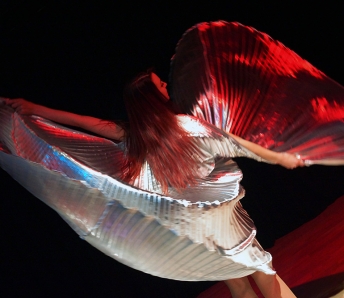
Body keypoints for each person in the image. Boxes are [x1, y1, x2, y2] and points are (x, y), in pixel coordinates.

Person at [4, 70, 303, 298]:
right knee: (263, 269)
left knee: (238, 283)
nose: (166, 87)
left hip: (195, 230)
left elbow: (82, 121)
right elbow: (235, 143)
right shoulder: (187, 128)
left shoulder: (134, 137)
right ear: (153, 98)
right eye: (160, 85)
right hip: (217, 221)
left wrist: (32, 108)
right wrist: (281, 156)